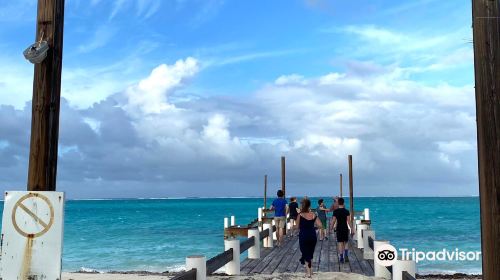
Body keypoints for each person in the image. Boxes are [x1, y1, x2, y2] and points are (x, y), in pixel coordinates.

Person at [295, 198, 323, 278]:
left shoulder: (300, 215)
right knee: (310, 253)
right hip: (312, 235)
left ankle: (308, 273)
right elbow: (320, 225)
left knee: (306, 253)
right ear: (309, 206)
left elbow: (297, 227)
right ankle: (310, 271)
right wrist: (313, 226)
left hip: (303, 235)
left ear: (302, 206)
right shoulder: (313, 214)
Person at [331, 197, 351, 263]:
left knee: (340, 243)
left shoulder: (336, 211)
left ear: (338, 203)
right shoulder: (346, 211)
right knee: (346, 242)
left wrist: (330, 228)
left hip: (339, 228)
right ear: (343, 203)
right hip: (345, 228)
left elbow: (333, 221)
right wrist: (352, 229)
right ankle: (346, 255)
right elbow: (348, 221)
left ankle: (341, 257)